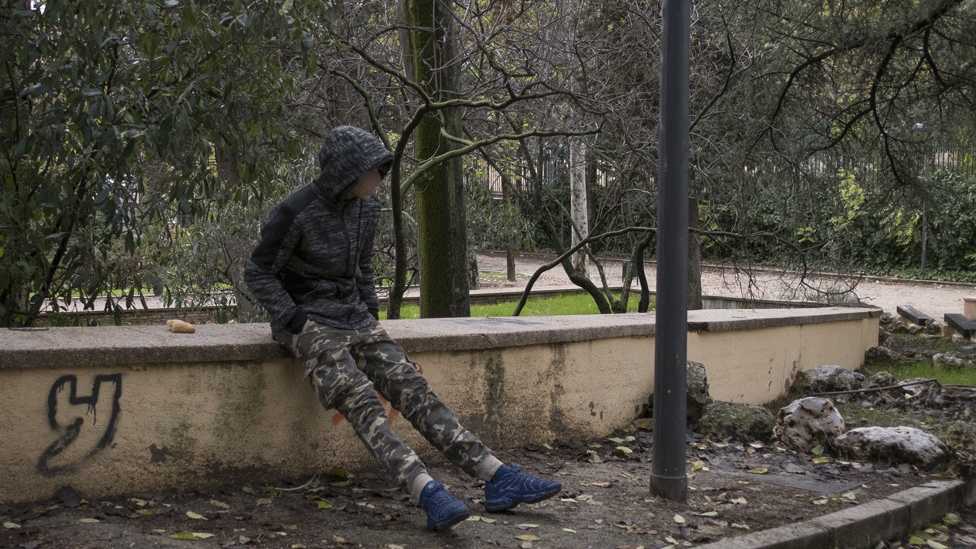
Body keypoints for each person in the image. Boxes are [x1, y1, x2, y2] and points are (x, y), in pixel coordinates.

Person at [243, 125, 561, 532]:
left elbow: (361, 266)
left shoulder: (366, 208)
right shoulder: (296, 211)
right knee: (360, 399)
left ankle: (496, 476)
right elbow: (258, 272)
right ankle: (425, 489)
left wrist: (370, 313)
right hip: (308, 321)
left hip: (355, 317)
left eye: (380, 171)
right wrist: (296, 320)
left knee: (411, 386)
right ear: (345, 171)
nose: (377, 180)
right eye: (371, 172)